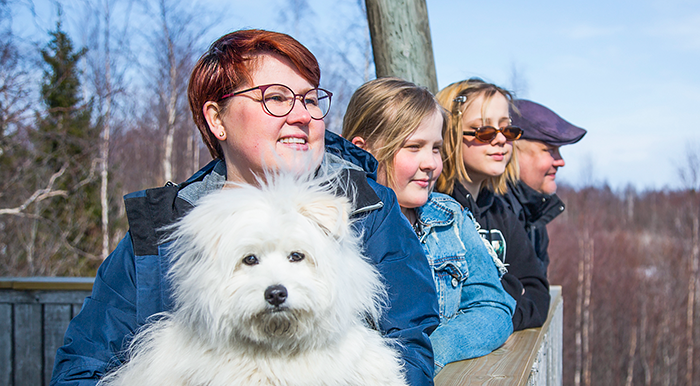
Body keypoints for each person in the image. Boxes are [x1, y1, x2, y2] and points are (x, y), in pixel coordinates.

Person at [50, 30, 439, 386]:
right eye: (275, 98)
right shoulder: (158, 230)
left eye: (309, 99)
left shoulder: (368, 207)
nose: (302, 115)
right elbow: (80, 368)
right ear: (217, 119)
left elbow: (409, 347)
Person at [341, 77, 515, 374]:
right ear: (363, 150)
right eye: (413, 147)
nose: (431, 163)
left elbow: (493, 307)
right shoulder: (336, 226)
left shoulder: (449, 218)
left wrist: (427, 354)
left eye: (435, 148)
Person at [434, 78, 550, 331]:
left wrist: (499, 317)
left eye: (507, 130)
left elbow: (537, 292)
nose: (500, 140)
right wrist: (509, 292)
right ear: (450, 135)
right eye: (484, 131)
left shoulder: (499, 211)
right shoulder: (435, 211)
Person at [501, 99, 587, 275]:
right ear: (512, 152)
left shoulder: (533, 213)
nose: (561, 162)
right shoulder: (494, 215)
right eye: (549, 150)